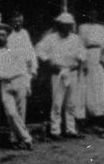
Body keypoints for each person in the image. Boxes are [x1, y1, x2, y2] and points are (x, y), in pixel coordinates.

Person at [35, 10, 88, 138]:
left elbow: (83, 53)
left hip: (72, 71)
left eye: (69, 24)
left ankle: (70, 129)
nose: (66, 27)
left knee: (71, 102)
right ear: (58, 24)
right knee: (57, 102)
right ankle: (55, 130)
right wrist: (48, 61)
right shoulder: (51, 38)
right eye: (63, 24)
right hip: (58, 72)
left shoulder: (75, 39)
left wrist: (79, 62)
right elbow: (39, 49)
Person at [0, 22, 35, 149]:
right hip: (6, 83)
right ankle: (26, 138)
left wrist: (27, 83)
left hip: (20, 81)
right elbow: (0, 71)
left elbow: (26, 64)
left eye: (3, 35)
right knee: (11, 113)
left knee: (20, 113)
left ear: (7, 37)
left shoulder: (15, 49)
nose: (1, 37)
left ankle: (16, 139)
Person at [77, 7, 104, 129]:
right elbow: (80, 45)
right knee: (86, 86)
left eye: (95, 14)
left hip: (99, 56)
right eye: (90, 14)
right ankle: (85, 116)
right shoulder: (82, 27)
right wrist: (83, 60)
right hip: (87, 56)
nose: (92, 16)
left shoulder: (103, 28)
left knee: (99, 85)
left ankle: (99, 115)